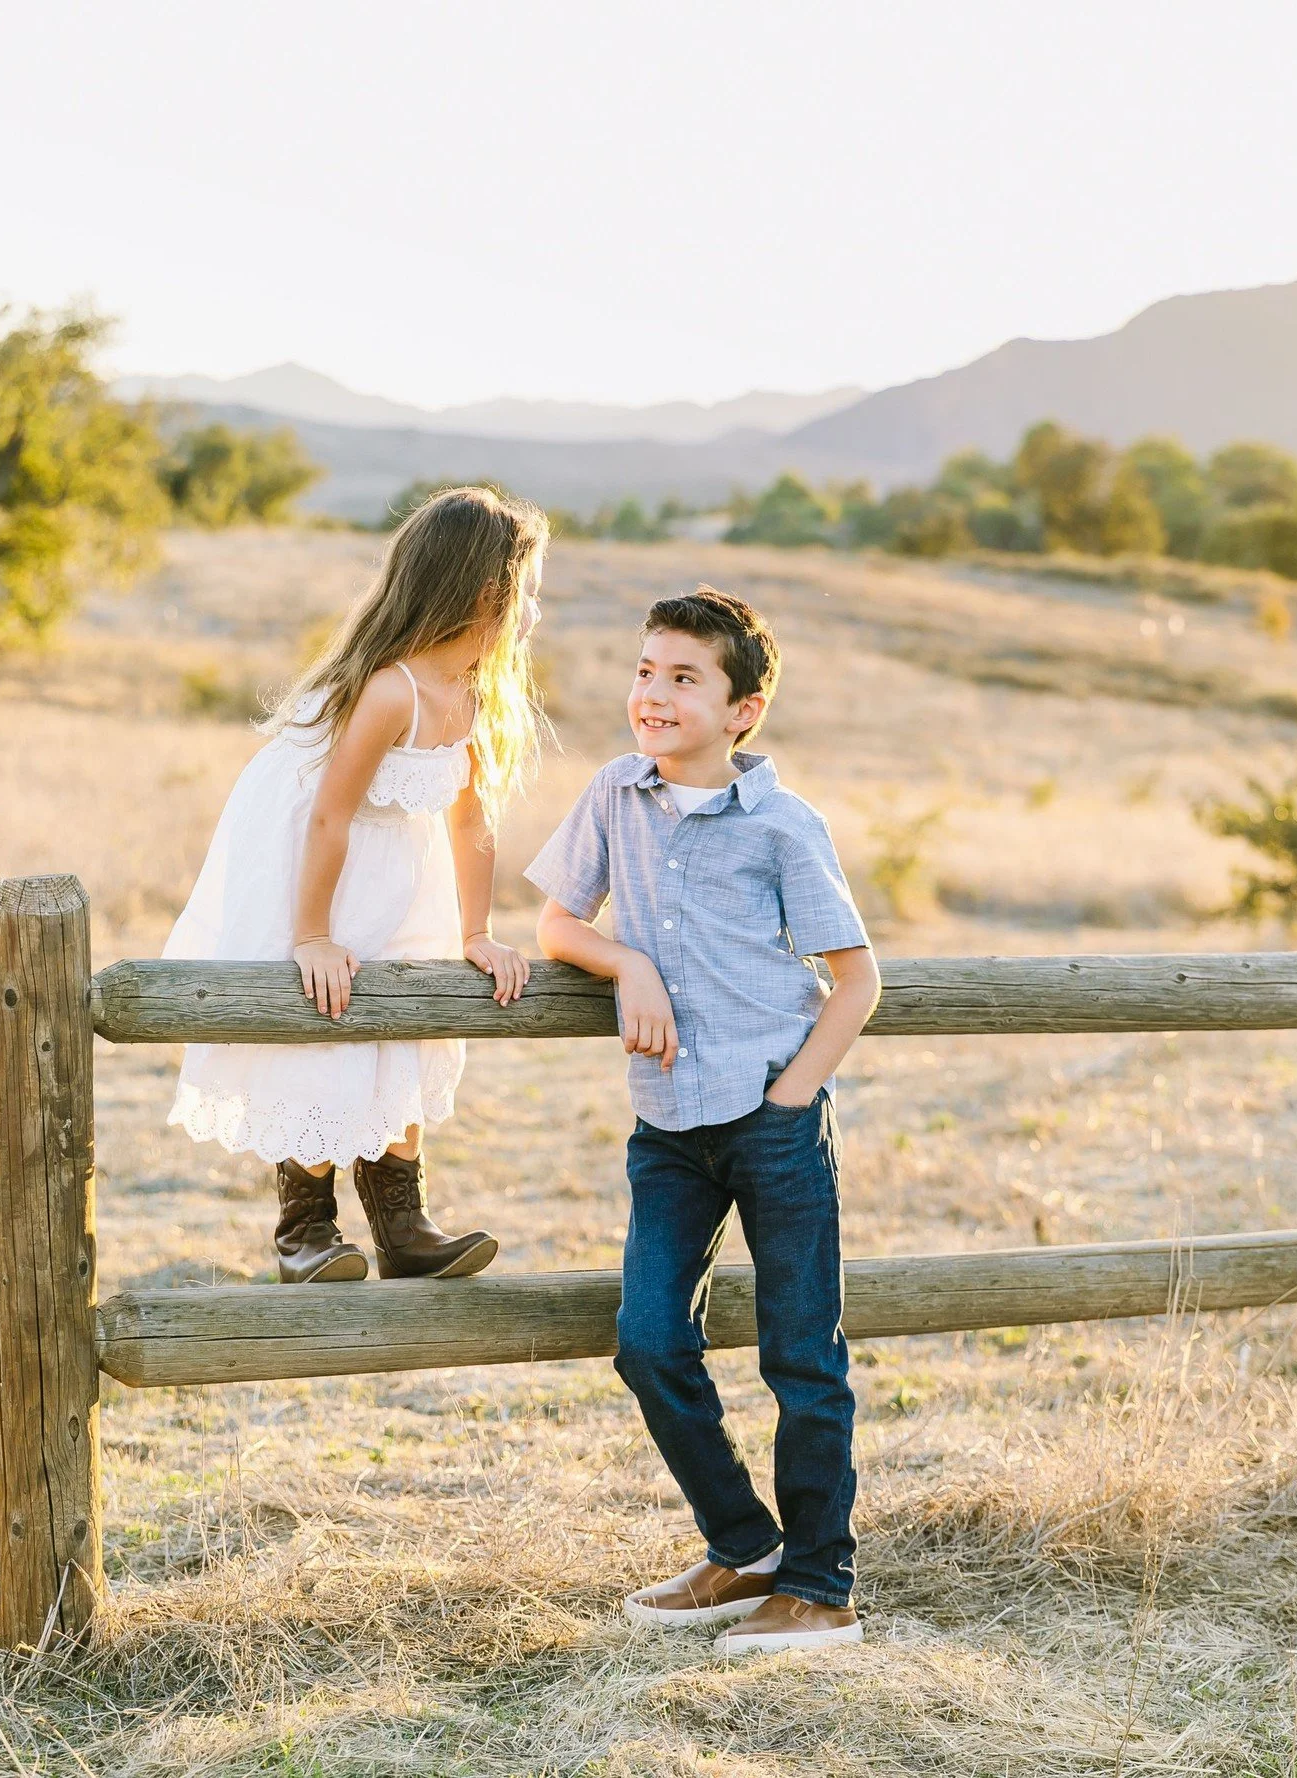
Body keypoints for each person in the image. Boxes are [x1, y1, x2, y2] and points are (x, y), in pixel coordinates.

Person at [526, 584, 881, 1655]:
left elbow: (857, 981)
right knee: (647, 1341)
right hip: (668, 1125)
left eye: (685, 677)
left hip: (773, 1119)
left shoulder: (783, 824)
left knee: (802, 1358)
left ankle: (819, 1586)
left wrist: (792, 1095)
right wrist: (626, 961)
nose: (654, 694)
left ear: (742, 710)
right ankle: (746, 1545)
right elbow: (555, 924)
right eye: (646, 671)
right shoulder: (614, 793)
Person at [164, 486, 545, 1284]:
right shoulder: (390, 688)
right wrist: (312, 934)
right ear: (486, 592)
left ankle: (405, 1228)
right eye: (525, 592)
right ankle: (303, 1231)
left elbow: (471, 822)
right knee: (328, 1022)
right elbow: (329, 816)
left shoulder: (473, 690)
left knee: (405, 1025)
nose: (530, 611)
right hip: (320, 868)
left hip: (401, 872)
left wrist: (476, 931)